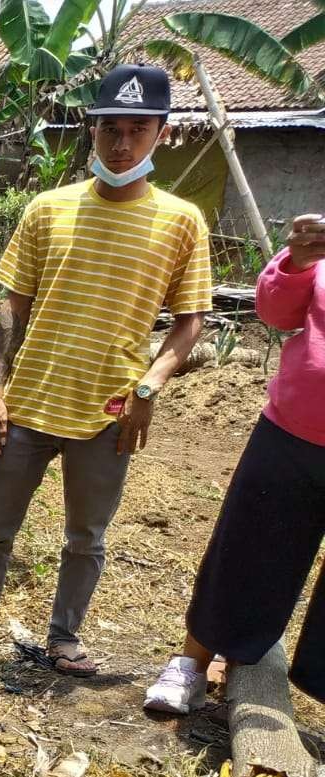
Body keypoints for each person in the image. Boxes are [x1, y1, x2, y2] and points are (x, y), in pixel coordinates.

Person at [0, 64, 211, 677]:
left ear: (162, 133)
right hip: (29, 403)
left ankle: (65, 638)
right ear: (92, 130)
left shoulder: (182, 221)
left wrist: (150, 386)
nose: (122, 144)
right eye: (110, 128)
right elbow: (12, 306)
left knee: (86, 537)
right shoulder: (48, 210)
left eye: (138, 129)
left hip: (110, 411)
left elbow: (189, 322)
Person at [145, 214, 325, 713]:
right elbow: (276, 314)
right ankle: (192, 664)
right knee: (247, 548)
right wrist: (296, 263)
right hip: (292, 430)